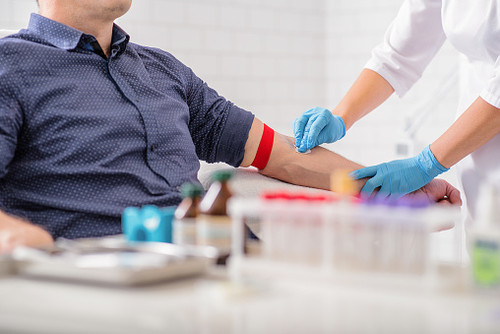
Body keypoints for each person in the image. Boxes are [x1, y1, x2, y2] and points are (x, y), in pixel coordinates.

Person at [0, 0, 461, 252]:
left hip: (221, 263)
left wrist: (382, 188)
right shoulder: (10, 67)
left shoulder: (164, 72)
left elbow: (280, 156)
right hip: (103, 278)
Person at [294, 0, 500, 221]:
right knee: (484, 242)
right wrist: (341, 115)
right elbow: (396, 55)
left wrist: (426, 164)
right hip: (476, 165)